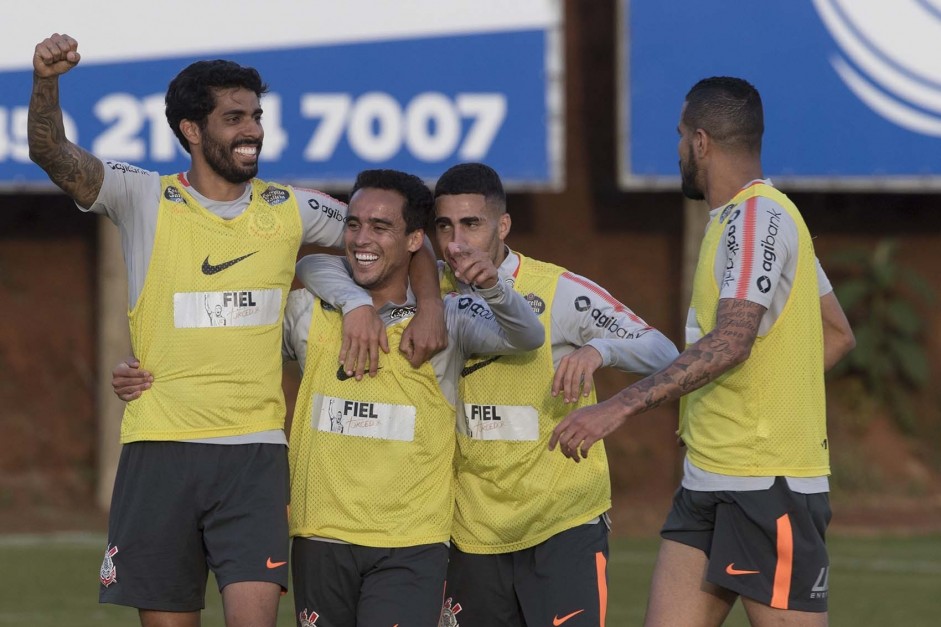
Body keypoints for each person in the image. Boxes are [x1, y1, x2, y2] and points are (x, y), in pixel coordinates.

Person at [29, 33, 444, 627]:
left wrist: (417, 306)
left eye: (255, 116)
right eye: (234, 118)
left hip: (253, 454)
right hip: (160, 446)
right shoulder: (144, 196)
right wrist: (46, 81)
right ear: (192, 130)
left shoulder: (289, 208)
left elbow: (407, 237)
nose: (252, 130)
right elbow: (51, 152)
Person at [298, 162, 680, 627]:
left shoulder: (556, 291)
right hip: (471, 532)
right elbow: (322, 264)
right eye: (445, 226)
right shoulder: (427, 289)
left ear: (502, 226)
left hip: (559, 521)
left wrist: (599, 350)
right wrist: (402, 301)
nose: (457, 241)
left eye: (472, 224)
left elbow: (664, 352)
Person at [549, 77, 856, 627]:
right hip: (709, 478)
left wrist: (617, 407)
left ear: (701, 141)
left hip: (766, 486)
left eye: (679, 136)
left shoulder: (757, 219)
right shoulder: (745, 222)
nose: (678, 150)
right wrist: (764, 395)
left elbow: (732, 340)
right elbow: (836, 333)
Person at [284, 169, 546, 626]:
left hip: (409, 543)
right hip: (318, 534)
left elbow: (527, 337)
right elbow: (245, 340)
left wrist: (492, 287)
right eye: (354, 224)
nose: (362, 238)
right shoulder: (311, 309)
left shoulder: (445, 320)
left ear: (413, 241)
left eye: (381, 227)